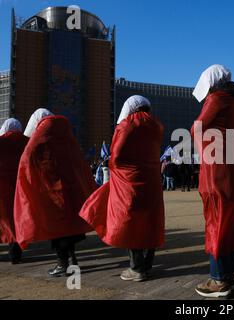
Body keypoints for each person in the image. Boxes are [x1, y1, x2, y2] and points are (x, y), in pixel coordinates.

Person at [80, 96, 165, 282]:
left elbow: (115, 156)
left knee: (131, 222)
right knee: (150, 222)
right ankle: (147, 266)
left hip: (129, 182)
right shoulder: (157, 125)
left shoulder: (126, 125)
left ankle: (136, 269)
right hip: (151, 181)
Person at [14, 108, 97, 277]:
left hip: (52, 191)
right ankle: (72, 259)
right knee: (69, 228)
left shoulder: (41, 136)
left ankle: (63, 264)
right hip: (71, 190)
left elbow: (26, 158)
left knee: (57, 228)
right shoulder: (66, 135)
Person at [191, 65, 234, 298]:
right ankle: (228, 274)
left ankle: (217, 280)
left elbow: (197, 128)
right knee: (230, 219)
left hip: (218, 167)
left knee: (216, 218)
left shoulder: (216, 98)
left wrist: (203, 154)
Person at [0, 119, 28, 264]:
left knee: (3, 221)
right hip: (21, 189)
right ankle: (15, 254)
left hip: (2, 189)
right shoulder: (27, 142)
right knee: (17, 220)